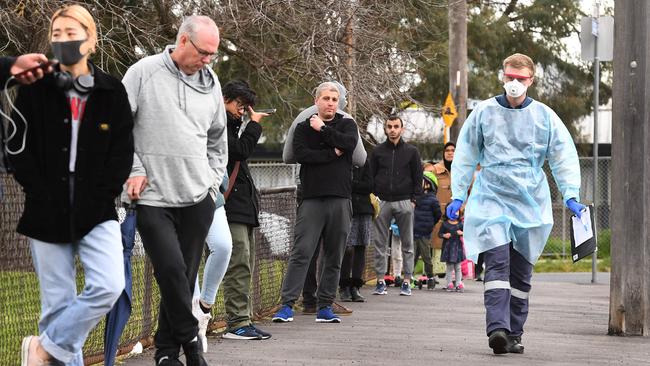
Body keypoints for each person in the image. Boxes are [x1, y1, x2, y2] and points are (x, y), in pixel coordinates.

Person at [9, 5, 134, 365]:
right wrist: (40, 191)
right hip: (46, 209)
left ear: (91, 39)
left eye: (71, 32)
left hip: (97, 209)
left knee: (109, 285)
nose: (64, 40)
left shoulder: (112, 91)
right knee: (58, 306)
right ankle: (51, 351)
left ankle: (42, 349)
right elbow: (19, 147)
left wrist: (101, 193)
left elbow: (122, 152)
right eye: (57, 34)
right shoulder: (35, 90)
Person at [447, 53, 585, 355]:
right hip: (492, 198)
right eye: (509, 77)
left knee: (521, 274)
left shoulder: (544, 117)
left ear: (531, 81)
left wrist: (570, 194)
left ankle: (514, 332)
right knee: (497, 263)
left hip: (530, 202)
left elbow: (562, 156)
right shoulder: (483, 113)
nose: (514, 83)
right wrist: (459, 193)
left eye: (520, 79)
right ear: (502, 76)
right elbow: (467, 152)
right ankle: (497, 328)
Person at [122, 15, 227, 366]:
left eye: (213, 54)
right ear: (183, 41)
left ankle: (166, 354)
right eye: (204, 52)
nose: (208, 60)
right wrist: (134, 170)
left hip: (198, 198)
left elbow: (217, 142)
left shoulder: (211, 84)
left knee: (182, 276)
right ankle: (193, 347)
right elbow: (119, 128)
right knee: (169, 269)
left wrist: (212, 183)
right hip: (151, 196)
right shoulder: (143, 72)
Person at [272, 81, 357, 324]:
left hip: (340, 199)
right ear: (316, 101)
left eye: (334, 99)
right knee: (302, 252)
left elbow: (349, 144)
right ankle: (287, 305)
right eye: (326, 98)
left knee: (334, 256)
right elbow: (302, 155)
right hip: (311, 199)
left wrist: (323, 130)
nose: (331, 102)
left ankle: (325, 307)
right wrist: (333, 152)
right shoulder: (302, 128)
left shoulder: (347, 125)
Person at [220, 80, 272, 340]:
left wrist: (245, 123)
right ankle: (237, 322)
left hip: (242, 207)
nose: (241, 111)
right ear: (224, 98)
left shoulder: (231, 124)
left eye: (244, 108)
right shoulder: (217, 123)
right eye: (239, 106)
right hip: (230, 208)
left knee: (246, 265)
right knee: (238, 265)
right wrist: (254, 125)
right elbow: (238, 150)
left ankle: (243, 319)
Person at [369, 115, 423, 296]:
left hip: (404, 201)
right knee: (379, 243)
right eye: (389, 126)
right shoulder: (377, 151)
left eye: (396, 126)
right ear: (385, 129)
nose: (393, 129)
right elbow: (371, 175)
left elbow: (418, 177)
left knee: (407, 243)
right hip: (382, 201)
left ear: (402, 129)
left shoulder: (412, 152)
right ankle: (380, 280)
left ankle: (407, 281)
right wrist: (373, 197)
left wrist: (414, 200)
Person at [192, 172, 231, 352]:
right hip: (178, 195)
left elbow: (220, 152)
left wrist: (215, 182)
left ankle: (204, 310)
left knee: (223, 246)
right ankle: (193, 321)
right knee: (187, 253)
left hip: (210, 194)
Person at [338, 158, 373, 302]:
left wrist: (352, 185)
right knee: (347, 248)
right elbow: (341, 184)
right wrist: (357, 186)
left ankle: (356, 286)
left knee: (361, 246)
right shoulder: (341, 159)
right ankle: (344, 286)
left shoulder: (365, 161)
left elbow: (370, 185)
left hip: (364, 209)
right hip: (347, 208)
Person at [430, 142, 456, 281]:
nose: (450, 152)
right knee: (437, 242)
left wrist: (463, 208)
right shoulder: (435, 170)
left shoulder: (461, 169)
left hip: (457, 216)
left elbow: (471, 191)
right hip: (438, 214)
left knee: (456, 245)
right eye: (447, 150)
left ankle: (455, 275)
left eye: (453, 150)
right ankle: (436, 272)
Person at [413, 171, 442, 290]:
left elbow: (438, 214)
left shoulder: (432, 199)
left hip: (425, 233)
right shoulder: (415, 197)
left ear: (429, 184)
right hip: (414, 231)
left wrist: (430, 225)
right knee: (412, 256)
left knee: (426, 257)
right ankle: (409, 277)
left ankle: (430, 278)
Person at [438, 214, 465, 292]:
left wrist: (462, 233)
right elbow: (439, 234)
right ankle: (449, 283)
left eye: (456, 211)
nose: (455, 213)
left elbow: (466, 233)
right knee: (449, 267)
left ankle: (458, 283)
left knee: (458, 267)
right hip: (448, 248)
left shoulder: (460, 224)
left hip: (457, 248)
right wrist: (444, 235)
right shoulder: (445, 224)